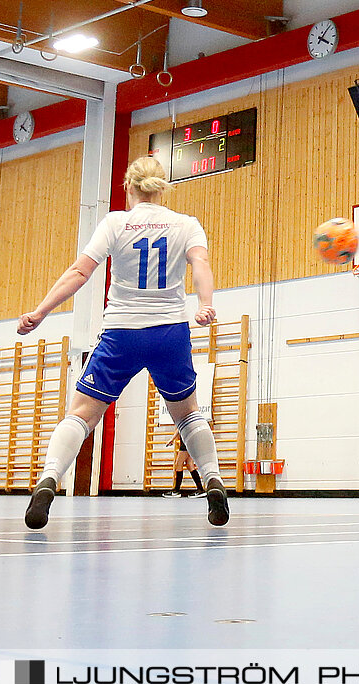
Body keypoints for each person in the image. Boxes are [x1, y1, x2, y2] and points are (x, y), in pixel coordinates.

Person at [18, 155, 226, 529]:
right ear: (162, 188)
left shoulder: (115, 222)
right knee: (187, 414)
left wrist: (41, 311)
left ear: (128, 186)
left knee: (81, 413)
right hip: (169, 332)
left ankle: (49, 479)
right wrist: (206, 304)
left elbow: (80, 272)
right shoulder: (187, 224)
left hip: (121, 332)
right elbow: (201, 264)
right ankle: (212, 480)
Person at [161, 431, 204, 498]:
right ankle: (200, 489)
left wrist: (172, 439)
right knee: (190, 465)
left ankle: (176, 490)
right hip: (190, 439)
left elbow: (179, 428)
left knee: (178, 464)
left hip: (187, 440)